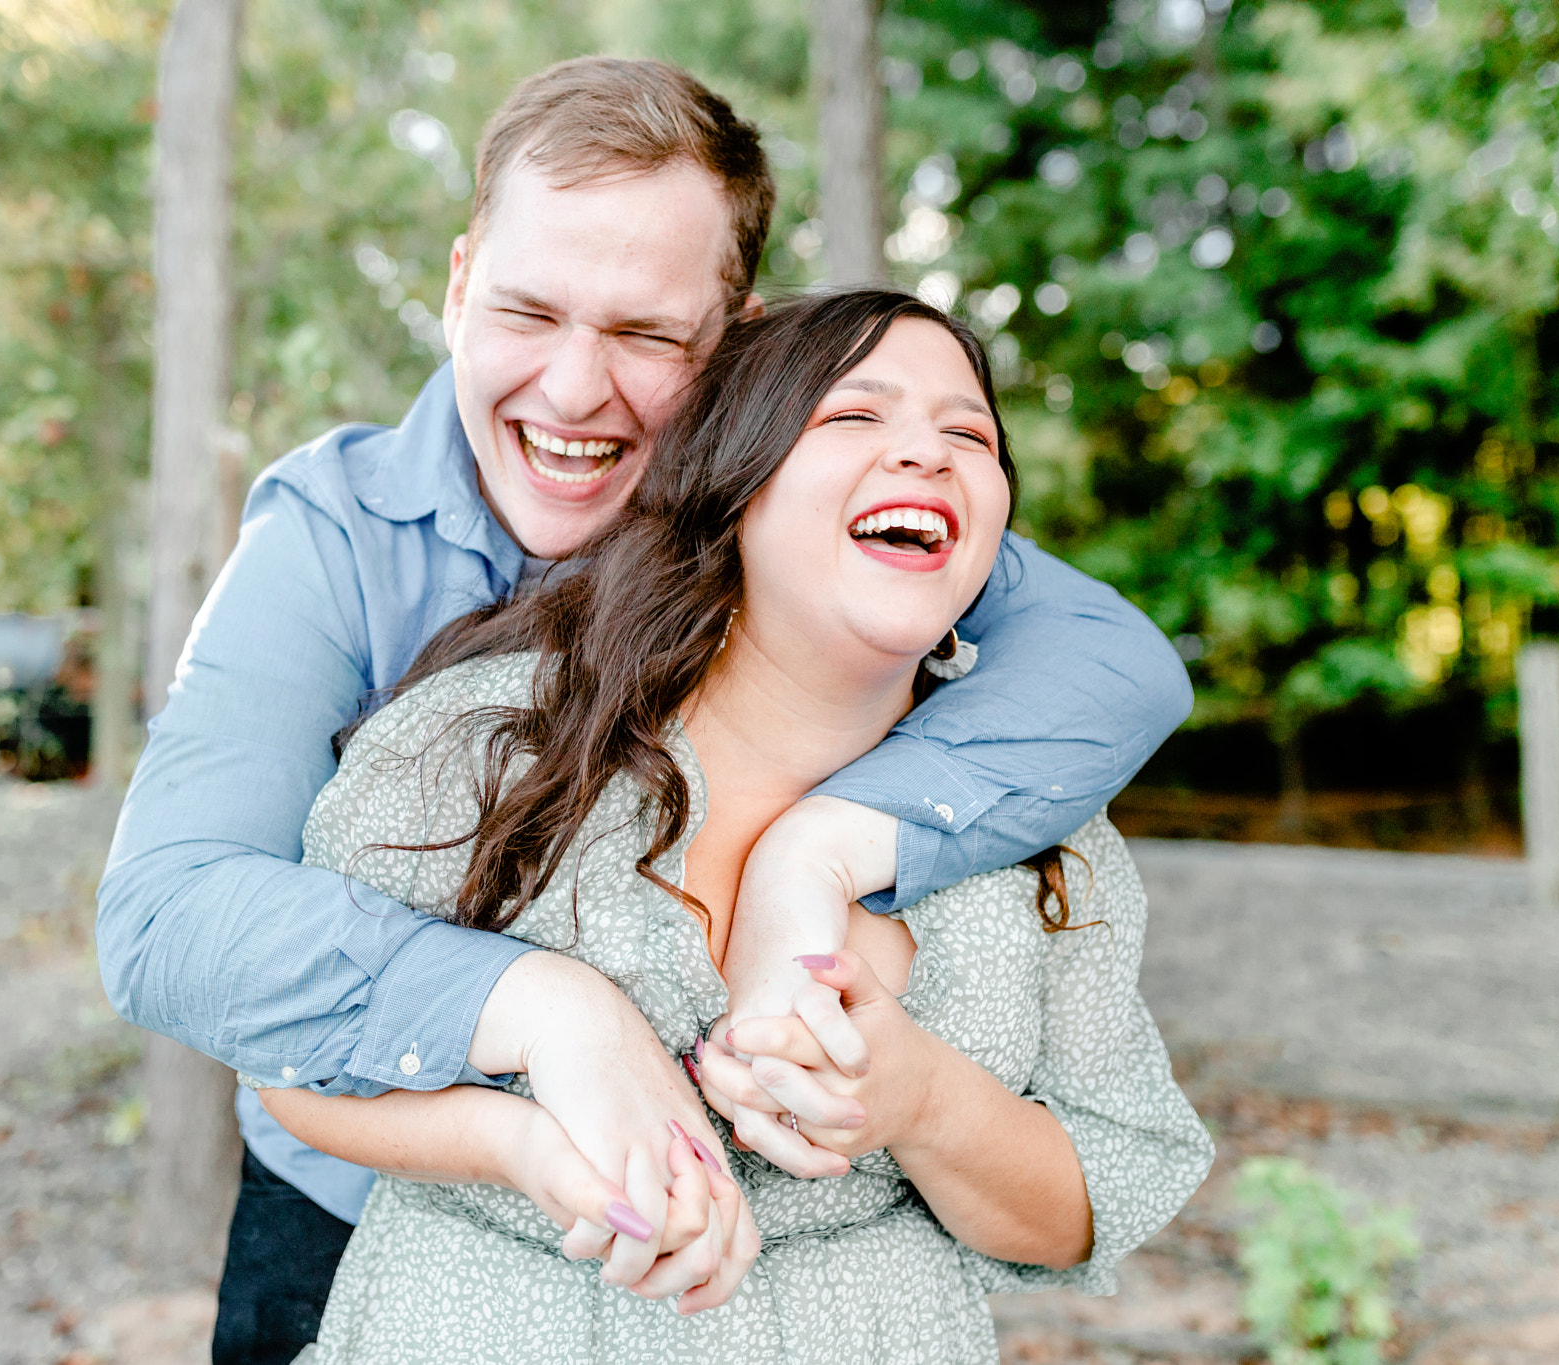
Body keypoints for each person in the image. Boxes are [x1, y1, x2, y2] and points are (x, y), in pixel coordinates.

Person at [95, 57, 1193, 1364]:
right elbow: (169, 918)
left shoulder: (849, 525)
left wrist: (823, 847)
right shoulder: (338, 537)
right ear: (458, 286)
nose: (570, 391)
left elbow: (1116, 665)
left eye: (645, 336)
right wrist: (545, 1012)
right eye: (527, 312)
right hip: (365, 1206)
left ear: (738, 344)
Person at [257, 288, 1214, 1362]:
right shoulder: (492, 746)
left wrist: (919, 1099)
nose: (927, 456)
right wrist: (518, 1146)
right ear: (734, 477)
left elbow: (1081, 1212)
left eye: (967, 434)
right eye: (855, 417)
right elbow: (289, 1069)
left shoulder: (1041, 836)